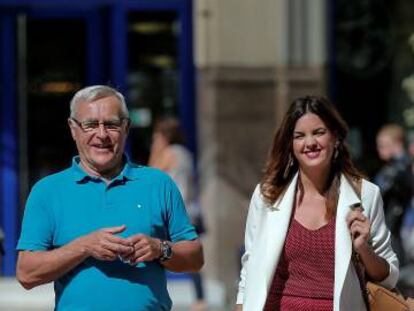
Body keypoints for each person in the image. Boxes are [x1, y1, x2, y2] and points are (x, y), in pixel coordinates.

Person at [16, 85, 204, 311]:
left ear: (126, 127)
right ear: (73, 128)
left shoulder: (158, 183)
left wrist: (159, 248)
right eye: (91, 125)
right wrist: (84, 247)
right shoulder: (47, 191)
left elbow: (195, 258)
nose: (102, 134)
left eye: (112, 124)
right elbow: (26, 273)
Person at [235, 96, 399, 310]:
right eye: (299, 136)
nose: (310, 142)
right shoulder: (267, 195)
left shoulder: (366, 195)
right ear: (291, 144)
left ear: (336, 138)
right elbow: (250, 268)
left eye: (319, 132)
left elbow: (389, 277)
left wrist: (363, 249)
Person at [149, 117, 207, 311]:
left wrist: (155, 151)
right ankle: (200, 298)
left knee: (158, 251)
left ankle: (155, 293)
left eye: (156, 136)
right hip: (191, 210)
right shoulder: (186, 153)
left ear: (164, 136)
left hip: (171, 213)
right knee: (188, 252)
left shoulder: (169, 153)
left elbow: (150, 175)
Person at [374, 124, 412, 266]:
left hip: (402, 228)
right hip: (394, 227)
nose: (379, 150)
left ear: (397, 144)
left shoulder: (401, 167)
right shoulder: (392, 168)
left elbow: (378, 191)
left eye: (383, 145)